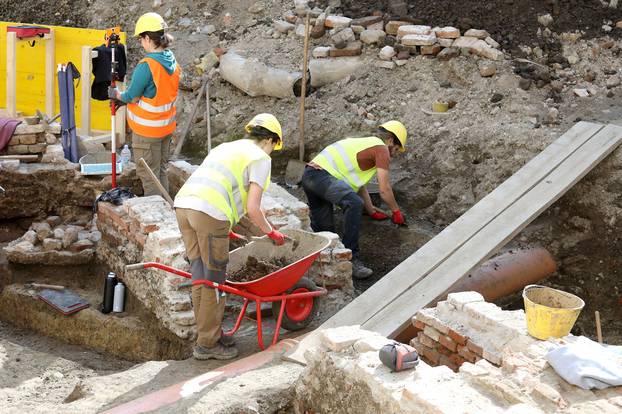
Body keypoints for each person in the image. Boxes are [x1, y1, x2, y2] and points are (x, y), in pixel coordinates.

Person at [173, 113, 287, 360]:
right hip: (208, 212)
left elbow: (220, 185)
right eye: (274, 147)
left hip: (184, 206)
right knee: (214, 281)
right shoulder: (260, 158)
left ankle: (208, 334)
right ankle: (207, 344)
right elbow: (254, 208)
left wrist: (225, 227)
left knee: (200, 275)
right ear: (270, 140)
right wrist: (271, 232)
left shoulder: (228, 147)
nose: (272, 152)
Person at [301, 120, 408, 280]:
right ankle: (353, 257)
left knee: (327, 236)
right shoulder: (382, 150)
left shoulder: (366, 145)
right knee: (354, 203)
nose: (395, 153)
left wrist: (371, 210)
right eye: (397, 148)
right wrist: (396, 211)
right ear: (391, 140)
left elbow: (358, 186)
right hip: (323, 176)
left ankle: (323, 272)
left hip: (310, 176)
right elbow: (384, 189)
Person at [108, 12, 180, 197]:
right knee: (160, 171)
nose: (141, 43)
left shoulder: (147, 65)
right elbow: (153, 94)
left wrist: (116, 94)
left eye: (141, 39)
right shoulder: (170, 60)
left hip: (147, 132)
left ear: (148, 38)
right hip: (165, 128)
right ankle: (166, 207)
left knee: (148, 176)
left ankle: (156, 217)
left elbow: (132, 96)